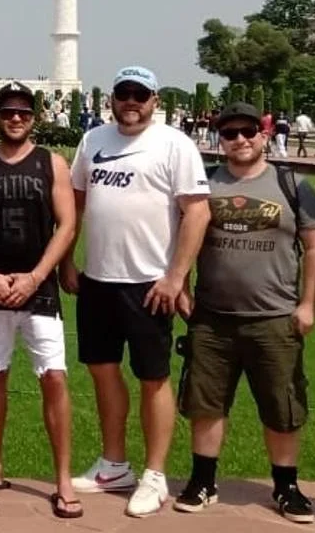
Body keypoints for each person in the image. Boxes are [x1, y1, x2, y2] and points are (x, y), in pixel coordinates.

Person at [64, 65, 210, 517]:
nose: (131, 102)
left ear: (154, 101)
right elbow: (75, 204)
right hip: (99, 279)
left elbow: (197, 212)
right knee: (103, 371)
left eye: (140, 95)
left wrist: (176, 277)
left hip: (150, 283)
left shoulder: (174, 144)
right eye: (124, 93)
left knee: (153, 377)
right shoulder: (94, 140)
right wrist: (67, 260)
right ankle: (114, 464)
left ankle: (155, 473)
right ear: (112, 99)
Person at [173, 102, 315, 523]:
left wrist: (308, 303)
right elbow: (181, 237)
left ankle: (286, 486)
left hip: (274, 316)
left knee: (282, 405)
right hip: (213, 316)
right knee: (205, 404)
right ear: (219, 139)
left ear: (263, 134)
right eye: (229, 133)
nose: (239, 139)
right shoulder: (204, 184)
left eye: (247, 132)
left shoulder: (292, 185)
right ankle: (203, 481)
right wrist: (181, 287)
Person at [0, 82, 81, 519]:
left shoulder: (50, 163)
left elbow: (67, 224)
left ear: (34, 117)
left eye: (22, 112)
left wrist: (37, 276)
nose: (15, 119)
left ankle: (63, 477)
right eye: (7, 112)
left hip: (40, 288)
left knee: (53, 377)